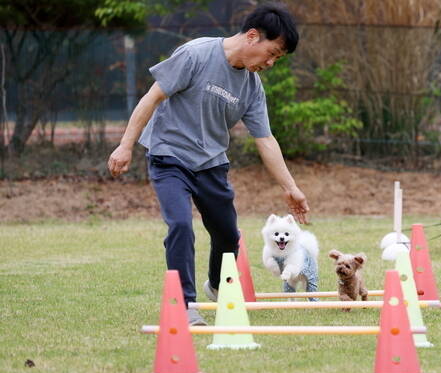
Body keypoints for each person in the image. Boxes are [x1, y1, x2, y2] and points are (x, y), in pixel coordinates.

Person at [107, 3, 309, 326]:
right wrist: (125, 144)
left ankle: (216, 285)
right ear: (253, 36)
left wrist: (291, 188)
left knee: (228, 235)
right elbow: (152, 97)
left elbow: (266, 140)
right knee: (181, 226)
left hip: (211, 164)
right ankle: (185, 304)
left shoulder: (252, 88)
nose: (271, 63)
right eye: (271, 54)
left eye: (277, 59)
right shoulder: (196, 55)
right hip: (169, 156)